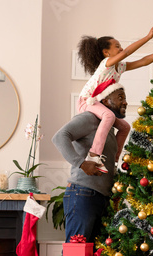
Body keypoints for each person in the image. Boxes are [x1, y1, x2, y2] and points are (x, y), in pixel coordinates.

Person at [77, 24, 153, 173]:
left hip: (98, 103)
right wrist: (148, 36)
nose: (120, 49)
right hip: (86, 101)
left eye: (120, 46)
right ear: (106, 52)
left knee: (125, 127)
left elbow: (143, 61)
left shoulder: (119, 66)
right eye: (117, 46)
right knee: (108, 115)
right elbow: (126, 52)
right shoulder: (106, 64)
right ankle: (94, 156)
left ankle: (113, 160)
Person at [52, 81, 127, 245]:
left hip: (100, 197)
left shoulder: (107, 126)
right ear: (106, 101)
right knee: (76, 254)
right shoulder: (90, 118)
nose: (125, 102)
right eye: (120, 97)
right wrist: (82, 163)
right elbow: (59, 137)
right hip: (83, 194)